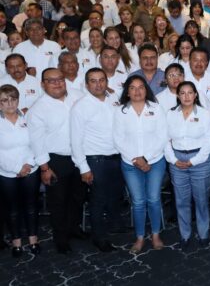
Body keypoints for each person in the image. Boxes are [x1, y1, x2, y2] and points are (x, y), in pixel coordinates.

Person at [27, 68, 84, 254]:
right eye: (51, 81)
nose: (57, 83)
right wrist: (44, 168)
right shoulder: (38, 109)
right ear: (43, 84)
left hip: (80, 156)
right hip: (56, 160)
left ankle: (74, 228)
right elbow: (36, 141)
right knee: (58, 201)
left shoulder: (78, 96)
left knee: (78, 196)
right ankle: (61, 238)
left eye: (60, 79)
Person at [69, 68, 124, 252]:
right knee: (98, 200)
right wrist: (83, 168)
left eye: (101, 80)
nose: (98, 84)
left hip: (116, 157)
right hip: (96, 160)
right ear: (87, 84)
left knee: (115, 196)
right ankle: (99, 238)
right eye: (93, 81)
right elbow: (75, 141)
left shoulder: (113, 99)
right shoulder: (80, 106)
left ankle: (114, 226)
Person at [113, 75, 168, 254]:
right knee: (138, 201)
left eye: (141, 87)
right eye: (133, 88)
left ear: (146, 90)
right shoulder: (120, 111)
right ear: (127, 92)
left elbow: (163, 136)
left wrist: (146, 158)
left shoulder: (157, 109)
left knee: (153, 199)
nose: (137, 91)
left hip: (155, 161)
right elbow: (118, 139)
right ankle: (139, 237)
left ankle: (155, 235)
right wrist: (136, 159)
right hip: (130, 163)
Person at [165, 81, 210, 250]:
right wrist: (173, 160)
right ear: (178, 96)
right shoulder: (170, 114)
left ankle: (203, 233)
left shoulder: (205, 114)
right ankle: (185, 235)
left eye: (190, 93)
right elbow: (164, 140)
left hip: (200, 161)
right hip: (177, 161)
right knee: (181, 201)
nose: (186, 96)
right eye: (182, 93)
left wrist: (194, 161)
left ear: (195, 95)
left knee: (201, 200)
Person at [0, 84, 41, 257]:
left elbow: (37, 143)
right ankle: (16, 241)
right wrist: (17, 168)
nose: (10, 103)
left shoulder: (28, 118)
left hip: (31, 169)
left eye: (13, 99)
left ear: (18, 100)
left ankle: (33, 239)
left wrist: (28, 164)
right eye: (4, 100)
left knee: (31, 206)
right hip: (6, 173)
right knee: (12, 209)